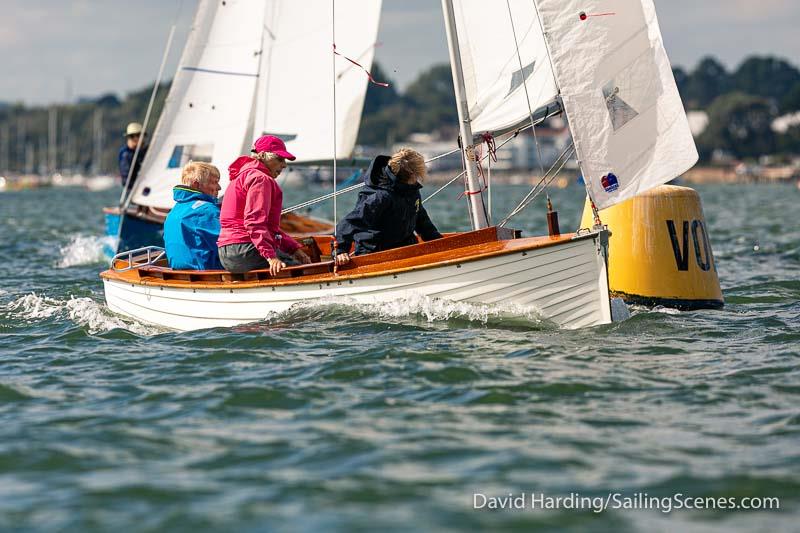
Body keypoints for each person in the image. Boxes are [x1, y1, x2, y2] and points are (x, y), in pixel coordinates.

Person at [217, 135, 311, 275]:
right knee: (303, 271)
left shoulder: (242, 176)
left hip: (226, 254)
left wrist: (293, 249)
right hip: (245, 249)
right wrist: (271, 257)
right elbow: (254, 222)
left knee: (290, 260)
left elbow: (268, 228)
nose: (284, 165)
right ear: (261, 155)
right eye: (279, 159)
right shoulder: (260, 178)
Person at [333, 148, 442, 266]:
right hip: (375, 254)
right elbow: (351, 222)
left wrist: (440, 244)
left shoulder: (412, 191)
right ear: (412, 175)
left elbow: (423, 222)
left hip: (404, 250)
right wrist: (340, 250)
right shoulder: (380, 197)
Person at [163, 162, 223, 270]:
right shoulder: (206, 210)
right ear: (196, 185)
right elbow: (229, 242)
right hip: (207, 275)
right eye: (214, 182)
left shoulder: (174, 211)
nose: (219, 187)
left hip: (178, 274)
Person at [118, 122, 148, 190]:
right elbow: (127, 179)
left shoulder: (143, 151)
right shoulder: (126, 154)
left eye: (141, 135)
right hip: (134, 192)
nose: (142, 139)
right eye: (133, 136)